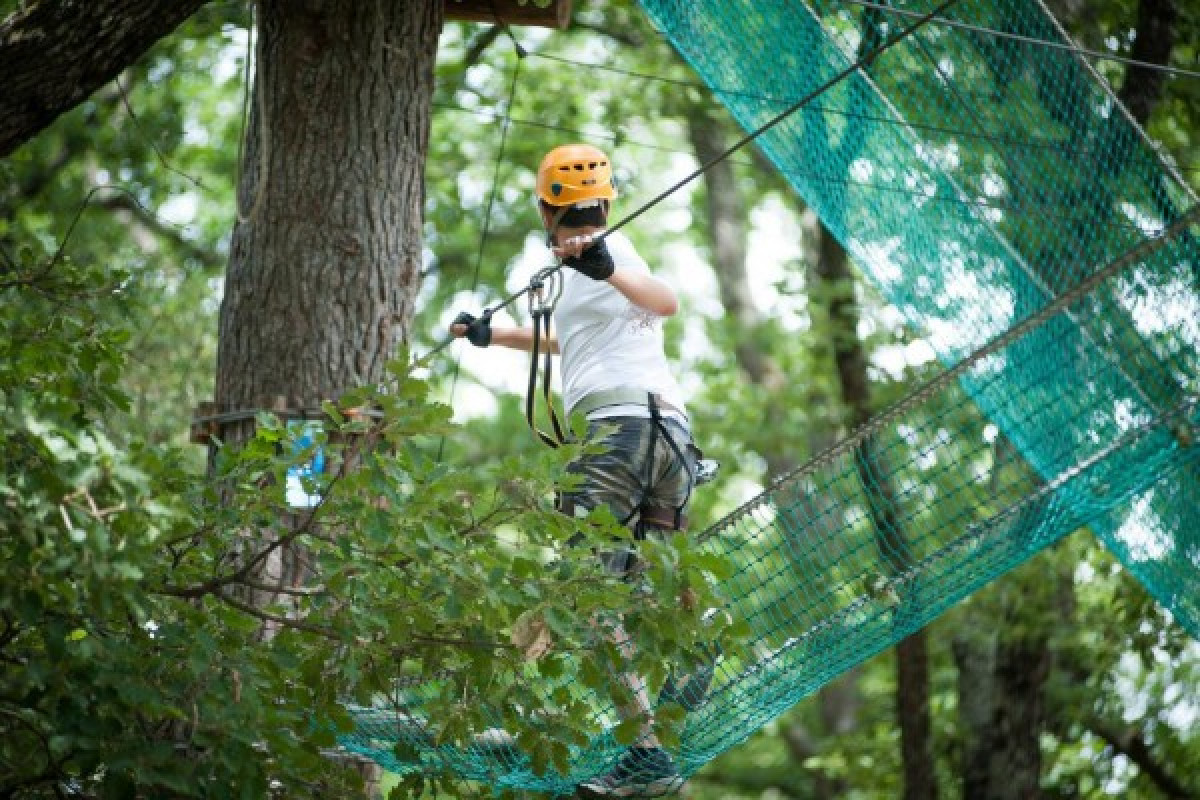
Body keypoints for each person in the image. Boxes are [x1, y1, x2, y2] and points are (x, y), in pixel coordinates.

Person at [450, 143, 700, 797]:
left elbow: (664, 301)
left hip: (623, 436)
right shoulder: (571, 273)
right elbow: (575, 336)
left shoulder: (615, 253)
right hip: (669, 443)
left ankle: (648, 755)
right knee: (632, 598)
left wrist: (610, 264)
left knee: (587, 600)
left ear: (543, 210)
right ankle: (681, 684)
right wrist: (494, 334)